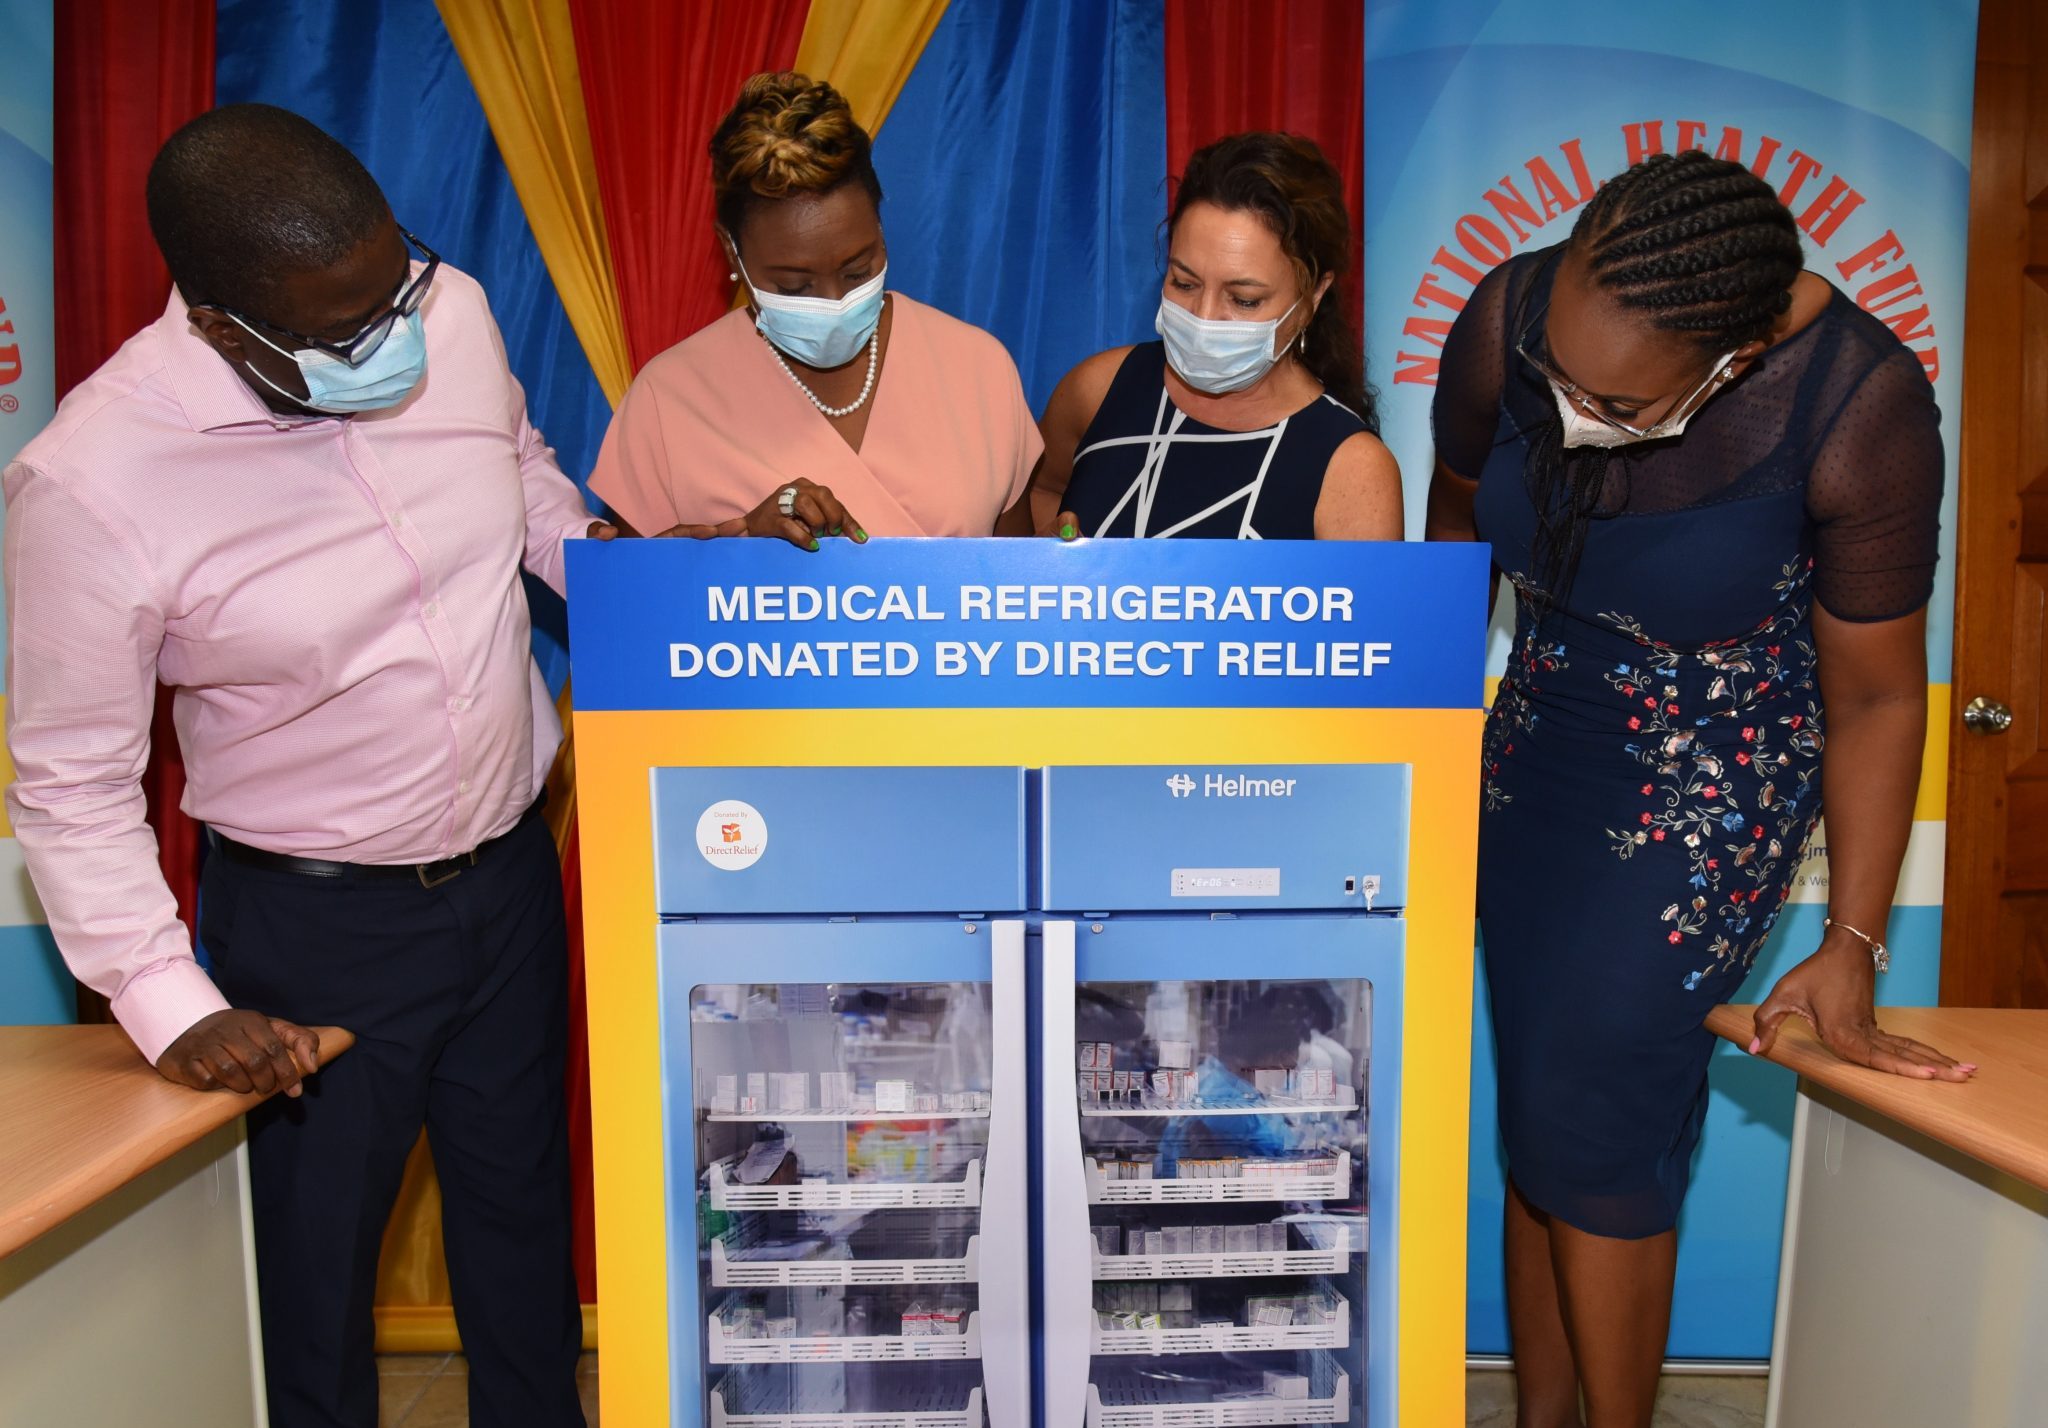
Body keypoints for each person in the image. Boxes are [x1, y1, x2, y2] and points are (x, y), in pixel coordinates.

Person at [4, 104, 598, 1428]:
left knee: (521, 1244)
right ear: (222, 322)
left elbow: (522, 479)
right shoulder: (92, 486)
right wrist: (170, 1001)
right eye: (345, 331)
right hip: (312, 934)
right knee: (309, 1293)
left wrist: (634, 570)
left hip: (506, 882)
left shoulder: (448, 315)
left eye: (399, 289)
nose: (397, 341)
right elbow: (71, 783)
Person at [1425, 149, 1972, 1428]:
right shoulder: (1505, 315)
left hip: (1709, 785)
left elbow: (1880, 698)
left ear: (1726, 360)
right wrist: (1433, 747)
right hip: (1533, 747)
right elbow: (1459, 531)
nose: (1562, 408)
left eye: (1608, 402)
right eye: (1551, 375)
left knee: (1597, 1113)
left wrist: (1849, 942)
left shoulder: (1856, 405)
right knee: (1541, 1117)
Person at [590, 72, 1040, 545]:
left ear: (880, 229)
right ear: (731, 251)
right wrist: (744, 553)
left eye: (856, 270)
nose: (833, 303)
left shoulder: (977, 369)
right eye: (795, 285)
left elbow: (1015, 591)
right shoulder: (668, 402)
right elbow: (638, 607)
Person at [1033, 131, 1400, 541]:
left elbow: (1370, 604)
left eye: (1244, 300)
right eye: (1183, 283)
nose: (1204, 318)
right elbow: (1041, 490)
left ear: (1313, 294)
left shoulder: (1352, 468)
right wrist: (1046, 554)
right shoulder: (1097, 389)